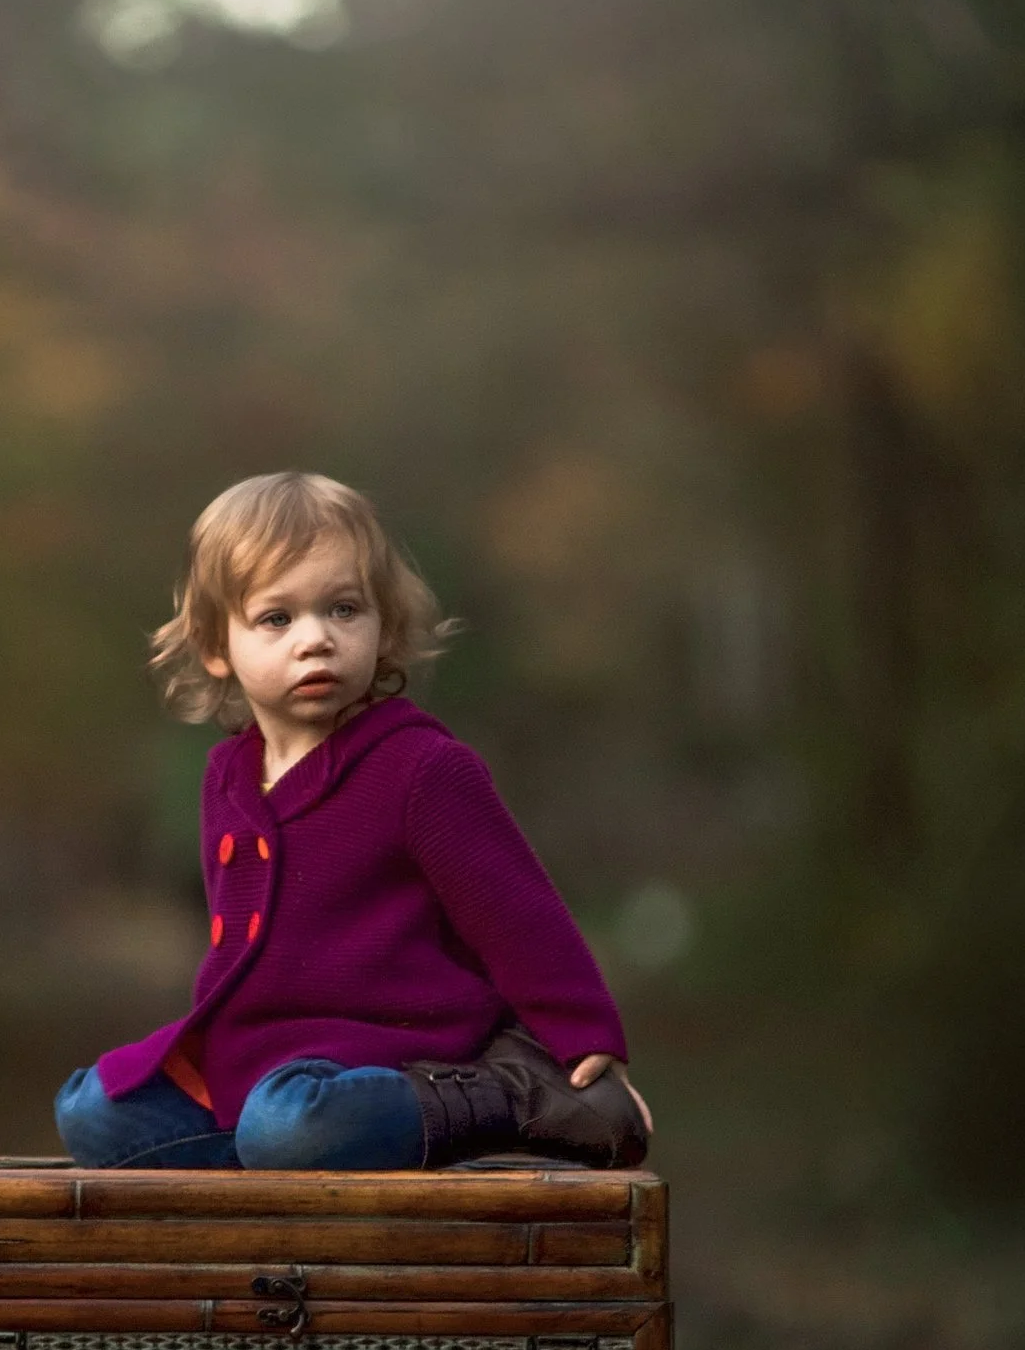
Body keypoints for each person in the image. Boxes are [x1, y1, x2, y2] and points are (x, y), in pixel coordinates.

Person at [54, 472, 652, 1172]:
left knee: (292, 1125)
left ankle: (513, 1097)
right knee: (93, 1108)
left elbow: (520, 916)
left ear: (383, 625)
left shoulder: (421, 768)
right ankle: (281, 1146)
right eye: (276, 618)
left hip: (395, 1054)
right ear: (218, 645)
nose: (315, 639)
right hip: (262, 1058)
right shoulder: (228, 777)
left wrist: (584, 1040)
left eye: (343, 609)